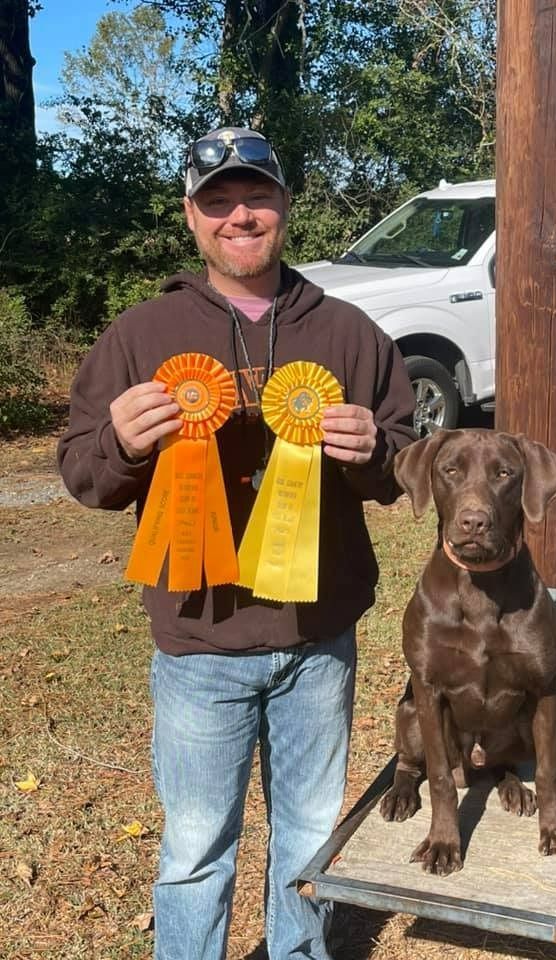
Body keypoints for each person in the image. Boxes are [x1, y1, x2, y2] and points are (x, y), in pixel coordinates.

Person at [58, 126, 416, 960]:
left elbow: (408, 464)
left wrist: (381, 450)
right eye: (217, 200)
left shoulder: (352, 332)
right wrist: (119, 442)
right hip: (198, 638)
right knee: (193, 851)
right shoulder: (141, 334)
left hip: (318, 637)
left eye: (255, 196)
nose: (239, 215)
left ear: (285, 207)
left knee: (308, 838)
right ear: (191, 216)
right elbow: (82, 473)